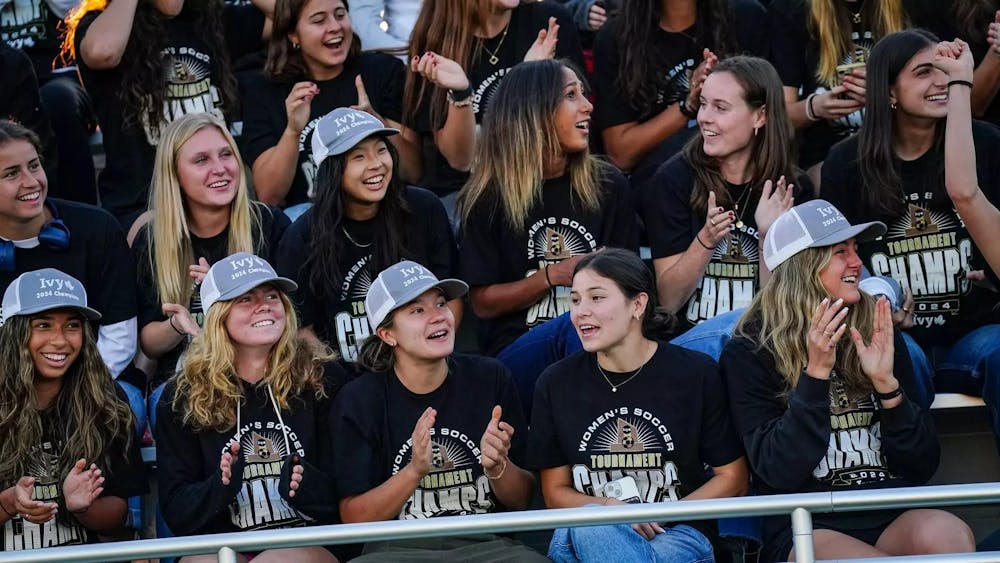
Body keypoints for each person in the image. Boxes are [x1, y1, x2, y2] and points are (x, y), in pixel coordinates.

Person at [720, 199, 976, 562]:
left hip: (889, 507)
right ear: (803, 266)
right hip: (809, 520)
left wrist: (888, 387)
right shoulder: (749, 349)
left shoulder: (876, 324)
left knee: (950, 538)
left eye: (855, 249)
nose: (857, 262)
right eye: (841, 252)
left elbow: (922, 464)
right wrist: (815, 375)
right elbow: (778, 470)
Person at [528, 248, 749, 562]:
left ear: (638, 304)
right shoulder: (555, 383)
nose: (580, 312)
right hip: (582, 532)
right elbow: (554, 493)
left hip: (677, 532)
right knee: (592, 525)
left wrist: (659, 514)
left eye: (597, 297)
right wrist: (610, 511)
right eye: (575, 300)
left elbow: (733, 479)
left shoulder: (694, 374)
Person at [822, 31, 1000, 415]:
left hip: (975, 333)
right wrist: (874, 301)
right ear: (888, 92)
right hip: (897, 336)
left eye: (944, 70)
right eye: (924, 72)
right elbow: (832, 260)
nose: (941, 81)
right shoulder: (846, 163)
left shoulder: (987, 146)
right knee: (896, 357)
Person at [332, 260, 546, 561]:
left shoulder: (491, 378)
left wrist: (499, 468)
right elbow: (353, 518)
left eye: (441, 304)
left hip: (488, 546)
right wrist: (414, 471)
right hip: (398, 551)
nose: (437, 317)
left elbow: (524, 499)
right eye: (417, 310)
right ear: (387, 335)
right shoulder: (359, 399)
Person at [458, 59, 638, 413]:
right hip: (518, 354)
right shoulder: (488, 198)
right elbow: (481, 301)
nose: (587, 105)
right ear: (534, 112)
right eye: (571, 96)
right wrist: (553, 275)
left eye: (584, 94)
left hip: (605, 343)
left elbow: (635, 283)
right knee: (575, 326)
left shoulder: (607, 185)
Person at [155, 252, 346, 562]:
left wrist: (305, 484)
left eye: (273, 295)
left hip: (310, 541)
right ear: (219, 315)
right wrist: (221, 486)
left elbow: (350, 494)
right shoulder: (181, 396)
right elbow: (177, 512)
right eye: (246, 299)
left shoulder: (323, 378)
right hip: (223, 548)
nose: (265, 305)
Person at [62, 0, 274, 226]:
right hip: (144, 205)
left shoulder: (211, 20)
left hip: (214, 201)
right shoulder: (103, 25)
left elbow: (292, 14)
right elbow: (102, 52)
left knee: (268, 224)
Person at [134, 112, 289, 420]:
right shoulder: (153, 240)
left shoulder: (269, 225)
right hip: (187, 377)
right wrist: (178, 324)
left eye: (226, 154)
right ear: (174, 174)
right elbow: (149, 343)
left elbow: (293, 319)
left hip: (266, 370)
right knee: (169, 402)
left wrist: (227, 297)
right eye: (201, 160)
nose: (220, 169)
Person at [640, 56, 808, 331]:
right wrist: (706, 240)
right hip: (693, 344)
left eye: (721, 107)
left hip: (759, 342)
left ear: (760, 116)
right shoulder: (674, 179)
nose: (704, 117)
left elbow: (782, 311)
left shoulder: (791, 188)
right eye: (704, 104)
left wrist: (768, 236)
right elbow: (668, 303)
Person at [277, 107, 457, 362]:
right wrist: (345, 387)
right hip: (346, 382)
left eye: (381, 149)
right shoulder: (301, 237)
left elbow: (452, 299)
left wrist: (426, 364)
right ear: (332, 171)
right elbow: (301, 331)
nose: (376, 164)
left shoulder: (423, 209)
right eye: (358, 157)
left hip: (425, 366)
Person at [0, 120, 141, 417]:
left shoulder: (97, 228)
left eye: (34, 166)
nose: (31, 182)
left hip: (94, 379)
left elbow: (120, 335)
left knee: (128, 407)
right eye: (12, 174)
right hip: (7, 391)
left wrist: (66, 392)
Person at [0, 268, 146, 551]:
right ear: (14, 332)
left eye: (72, 325)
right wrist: (9, 502)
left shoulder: (104, 399)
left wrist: (81, 507)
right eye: (43, 325)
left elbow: (118, 513)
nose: (60, 340)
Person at [242, 0, 423, 210]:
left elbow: (414, 172)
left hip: (380, 211)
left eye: (340, 15)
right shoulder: (266, 92)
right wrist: (293, 131)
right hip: (310, 217)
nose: (335, 27)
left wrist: (376, 122)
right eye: (319, 21)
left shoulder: (381, 71)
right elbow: (269, 196)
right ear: (293, 34)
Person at [404, 0, 584, 195]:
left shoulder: (548, 22)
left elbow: (570, 133)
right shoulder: (435, 38)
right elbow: (461, 160)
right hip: (469, 191)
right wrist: (461, 94)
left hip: (542, 181)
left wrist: (528, 80)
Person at [592, 0, 769, 188]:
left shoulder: (746, 18)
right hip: (659, 186)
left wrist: (725, 84)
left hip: (743, 178)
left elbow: (769, 119)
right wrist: (688, 104)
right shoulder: (616, 37)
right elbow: (621, 154)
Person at [769, 0, 907, 185]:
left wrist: (884, 96)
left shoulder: (909, 7)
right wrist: (814, 107)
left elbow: (937, 94)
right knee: (824, 175)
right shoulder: (795, 9)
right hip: (826, 154)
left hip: (901, 147)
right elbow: (778, 119)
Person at [2, 0, 98, 204]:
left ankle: (76, 211)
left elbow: (76, 10)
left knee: (58, 102)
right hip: (6, 72)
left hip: (60, 72)